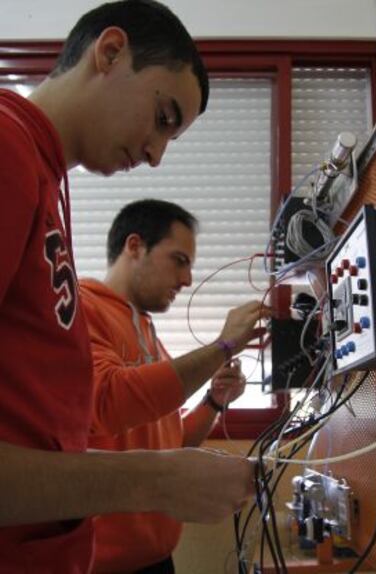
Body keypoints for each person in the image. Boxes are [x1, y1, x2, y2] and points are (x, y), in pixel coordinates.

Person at [0, 1, 271, 572]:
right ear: (111, 51)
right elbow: (111, 406)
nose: (155, 154)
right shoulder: (8, 148)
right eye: (163, 117)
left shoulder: (46, 178)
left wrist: (206, 415)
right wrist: (151, 480)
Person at [80, 199, 253, 574]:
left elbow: (171, 445)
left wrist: (213, 401)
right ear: (135, 246)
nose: (188, 279)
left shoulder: (149, 336)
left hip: (156, 560)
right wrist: (222, 346)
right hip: (101, 566)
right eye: (180, 260)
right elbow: (107, 401)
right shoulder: (82, 307)